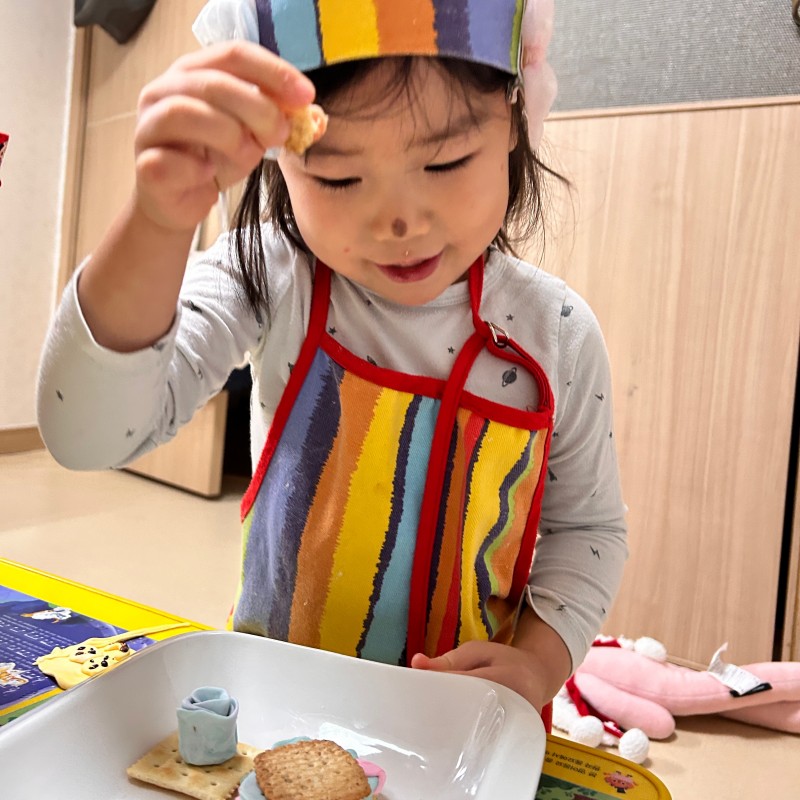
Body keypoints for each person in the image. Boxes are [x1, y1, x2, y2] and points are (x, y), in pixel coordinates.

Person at [37, 0, 627, 720]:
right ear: (280, 161)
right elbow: (85, 435)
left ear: (516, 114)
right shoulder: (271, 276)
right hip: (275, 706)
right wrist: (156, 222)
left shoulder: (557, 334)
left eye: (445, 161)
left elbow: (588, 531)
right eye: (340, 177)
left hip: (463, 727)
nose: (400, 221)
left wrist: (538, 662)